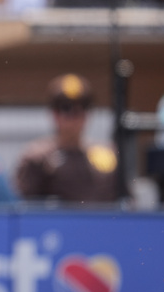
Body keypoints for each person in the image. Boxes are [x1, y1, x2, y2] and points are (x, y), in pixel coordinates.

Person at [13, 74, 124, 204]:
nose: (75, 116)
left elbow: (126, 204)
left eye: (83, 107)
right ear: (54, 113)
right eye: (67, 108)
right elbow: (22, 208)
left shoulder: (108, 154)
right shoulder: (37, 157)